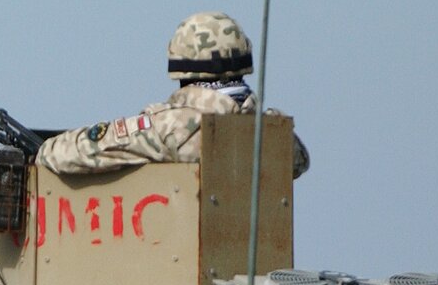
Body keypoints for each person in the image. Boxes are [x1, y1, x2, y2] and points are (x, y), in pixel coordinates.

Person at [37, 10, 311, 180]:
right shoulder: (276, 135)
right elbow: (301, 163)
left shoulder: (172, 127)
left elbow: (62, 154)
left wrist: (41, 149)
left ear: (181, 65)